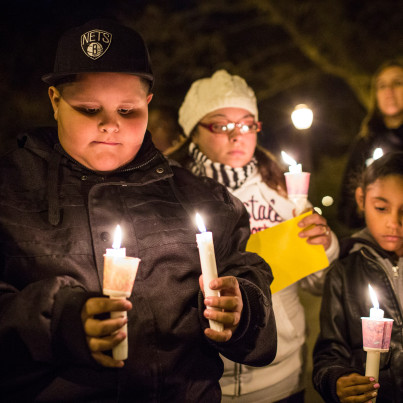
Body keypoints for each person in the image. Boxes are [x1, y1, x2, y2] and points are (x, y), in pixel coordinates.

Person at [0, 19, 278, 402]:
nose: (110, 124)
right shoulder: (10, 191)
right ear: (54, 101)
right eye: (89, 108)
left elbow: (244, 270)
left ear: (148, 103)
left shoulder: (201, 198)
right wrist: (58, 322)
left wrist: (242, 307)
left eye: (127, 110)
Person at [168, 69, 340, 402]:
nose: (238, 136)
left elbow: (316, 284)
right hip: (197, 379)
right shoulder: (167, 194)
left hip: (279, 375)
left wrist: (326, 246)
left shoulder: (283, 193)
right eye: (221, 125)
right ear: (193, 132)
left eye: (247, 124)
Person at [313, 151, 403, 402]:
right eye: (382, 208)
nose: (394, 223)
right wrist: (336, 379)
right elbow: (330, 352)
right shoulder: (344, 271)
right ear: (362, 199)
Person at [338, 59, 403, 232]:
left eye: (397, 83)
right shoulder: (365, 143)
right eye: (382, 86)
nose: (389, 91)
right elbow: (346, 204)